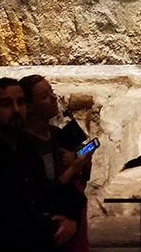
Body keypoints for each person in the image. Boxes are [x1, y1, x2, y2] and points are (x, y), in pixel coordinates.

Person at [0, 78, 86, 252]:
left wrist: (71, 220)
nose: (16, 110)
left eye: (20, 102)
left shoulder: (25, 147)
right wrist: (48, 228)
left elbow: (47, 195)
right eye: (6, 104)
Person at [20, 75, 92, 252]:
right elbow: (39, 192)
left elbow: (85, 166)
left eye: (51, 91)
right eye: (45, 96)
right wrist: (73, 168)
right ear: (28, 107)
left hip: (70, 221)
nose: (54, 98)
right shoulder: (23, 144)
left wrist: (78, 161)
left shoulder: (58, 134)